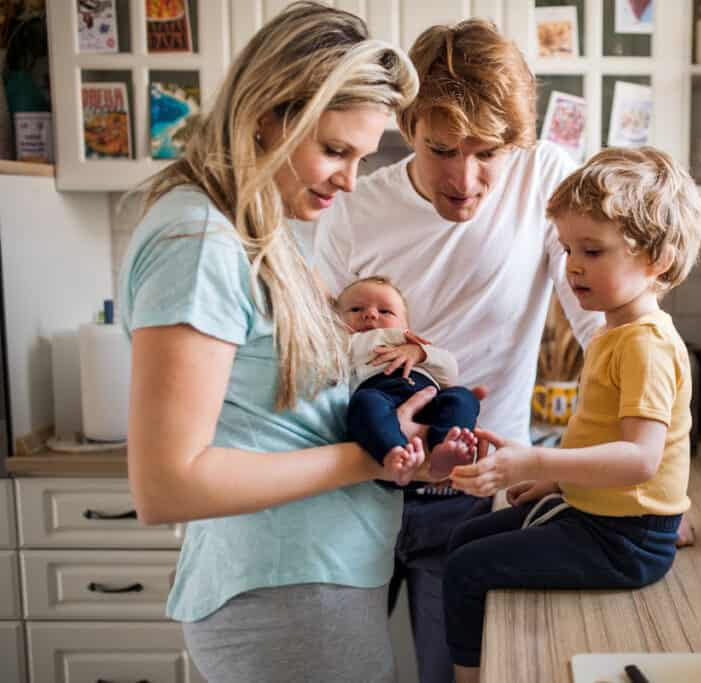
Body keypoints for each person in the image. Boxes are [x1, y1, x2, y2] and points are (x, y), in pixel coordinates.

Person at [118, 4, 426, 681]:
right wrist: (366, 460)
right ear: (266, 112)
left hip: (312, 585)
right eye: (336, 150)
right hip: (286, 601)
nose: (349, 180)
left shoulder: (258, 228)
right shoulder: (199, 242)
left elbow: (282, 421)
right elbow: (166, 483)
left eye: (362, 156)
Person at [313, 18, 604, 683]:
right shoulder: (355, 209)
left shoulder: (545, 182)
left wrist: (644, 475)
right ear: (407, 126)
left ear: (518, 145)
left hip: (476, 502)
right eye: (442, 148)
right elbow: (321, 359)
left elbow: (605, 331)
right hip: (358, 490)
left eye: (487, 152)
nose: (465, 178)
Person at [444, 146, 701, 683]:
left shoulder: (645, 345)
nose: (572, 267)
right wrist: (560, 486)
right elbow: (602, 436)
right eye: (567, 249)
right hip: (599, 518)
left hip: (627, 542)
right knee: (463, 542)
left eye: (592, 250)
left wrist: (541, 466)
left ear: (656, 258)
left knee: (465, 567)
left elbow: (640, 459)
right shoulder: (616, 334)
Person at [336, 275, 481, 484]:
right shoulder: (346, 345)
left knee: (462, 396)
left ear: (407, 326)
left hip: (431, 405)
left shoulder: (415, 345)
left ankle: (445, 447)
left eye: (385, 311)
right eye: (356, 309)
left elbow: (450, 371)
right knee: (364, 404)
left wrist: (420, 353)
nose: (370, 314)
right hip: (382, 404)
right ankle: (393, 453)